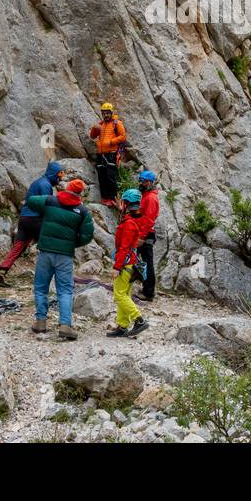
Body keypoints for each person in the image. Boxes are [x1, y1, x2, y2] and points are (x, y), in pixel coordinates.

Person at [25, 178, 95, 340]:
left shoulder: (51, 201)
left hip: (45, 253)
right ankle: (65, 325)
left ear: (67, 188)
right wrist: (71, 242)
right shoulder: (82, 211)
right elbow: (87, 236)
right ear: (80, 193)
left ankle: (41, 322)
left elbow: (31, 201)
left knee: (41, 287)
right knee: (64, 290)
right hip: (64, 256)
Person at [0, 161, 65, 284]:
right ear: (54, 174)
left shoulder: (38, 182)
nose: (60, 179)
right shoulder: (45, 185)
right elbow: (45, 205)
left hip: (24, 219)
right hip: (35, 219)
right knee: (50, 244)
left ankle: (2, 271)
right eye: (59, 176)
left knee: (19, 246)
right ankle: (53, 274)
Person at [108, 188, 149, 338]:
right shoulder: (134, 219)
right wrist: (122, 209)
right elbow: (134, 217)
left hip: (125, 265)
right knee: (124, 294)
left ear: (127, 203)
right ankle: (123, 326)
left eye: (124, 202)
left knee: (119, 295)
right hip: (131, 264)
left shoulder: (129, 224)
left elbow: (124, 247)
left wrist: (116, 267)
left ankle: (139, 320)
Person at [90, 102, 128, 203]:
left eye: (107, 113)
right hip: (101, 154)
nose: (105, 115)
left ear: (111, 113)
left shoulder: (117, 123)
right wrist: (94, 128)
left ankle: (113, 199)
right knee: (102, 177)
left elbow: (123, 137)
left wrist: (111, 141)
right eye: (104, 113)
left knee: (110, 177)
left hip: (111, 154)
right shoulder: (101, 124)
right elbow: (92, 136)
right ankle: (105, 198)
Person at [135, 170, 160, 301]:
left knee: (146, 263)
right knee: (140, 261)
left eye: (143, 181)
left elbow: (149, 220)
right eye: (140, 180)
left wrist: (141, 237)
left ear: (149, 182)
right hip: (142, 233)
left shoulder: (151, 198)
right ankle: (146, 289)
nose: (141, 183)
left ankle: (148, 292)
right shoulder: (146, 195)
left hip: (145, 235)